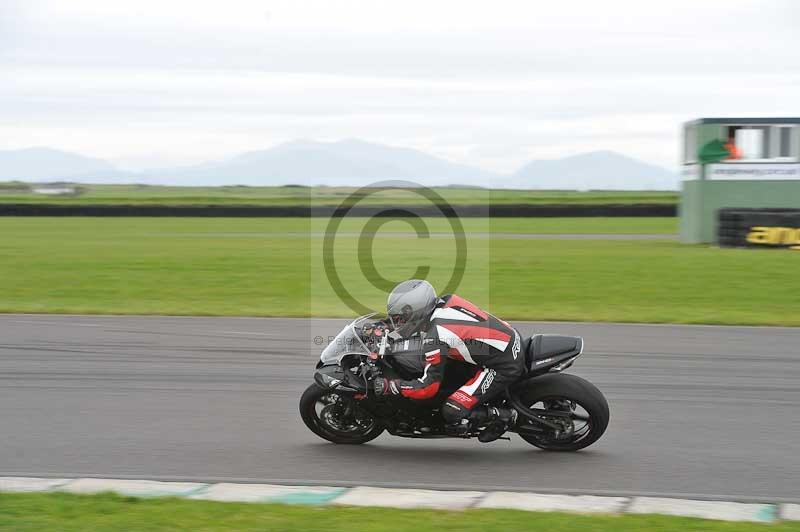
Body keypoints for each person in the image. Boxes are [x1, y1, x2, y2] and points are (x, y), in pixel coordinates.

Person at [373, 279, 525, 442]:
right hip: (506, 340)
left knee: (452, 410)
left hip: (503, 364)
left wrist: (394, 386)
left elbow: (428, 387)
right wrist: (383, 325)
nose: (399, 323)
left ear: (417, 313)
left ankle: (505, 416)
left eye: (401, 319)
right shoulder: (445, 301)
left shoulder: (436, 337)